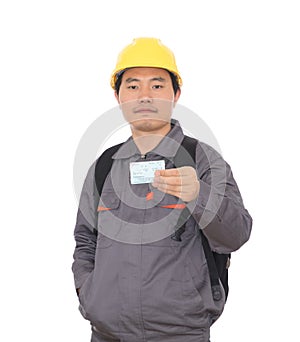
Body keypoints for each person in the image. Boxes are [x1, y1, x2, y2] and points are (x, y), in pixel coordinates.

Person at [72, 37, 252, 342]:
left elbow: (236, 235)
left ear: (176, 94)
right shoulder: (103, 166)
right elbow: (85, 240)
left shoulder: (203, 159)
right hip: (106, 334)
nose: (144, 96)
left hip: (182, 334)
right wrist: (91, 295)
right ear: (118, 96)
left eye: (157, 85)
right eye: (132, 86)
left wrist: (199, 194)